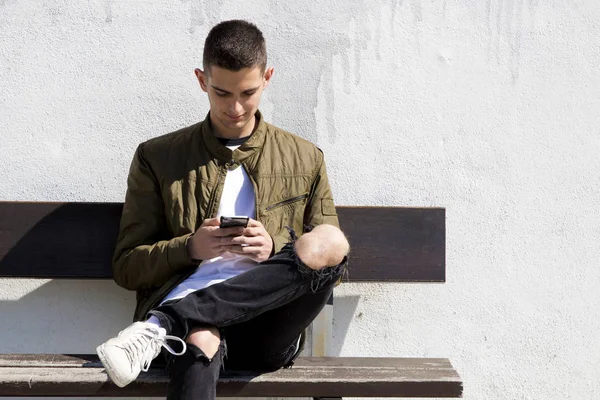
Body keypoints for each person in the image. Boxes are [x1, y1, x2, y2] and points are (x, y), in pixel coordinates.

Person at [96, 19, 350, 400]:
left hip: (269, 323)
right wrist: (191, 248)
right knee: (199, 336)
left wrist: (274, 250)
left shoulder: (305, 157)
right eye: (221, 92)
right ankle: (178, 321)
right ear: (201, 80)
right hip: (193, 326)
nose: (235, 107)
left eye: (248, 92)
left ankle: (166, 322)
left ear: (267, 78)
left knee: (331, 241)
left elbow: (329, 266)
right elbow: (127, 266)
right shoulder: (158, 157)